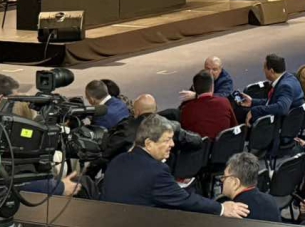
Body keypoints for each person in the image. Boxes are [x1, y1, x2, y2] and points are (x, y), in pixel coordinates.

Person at [102, 114, 248, 216]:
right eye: (167, 140)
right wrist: (221, 208)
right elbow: (184, 200)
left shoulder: (118, 160)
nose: (172, 144)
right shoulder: (156, 172)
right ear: (149, 143)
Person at [239, 54, 304, 121]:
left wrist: (256, 110)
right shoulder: (291, 77)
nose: (263, 70)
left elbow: (282, 108)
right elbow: (273, 102)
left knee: (241, 112)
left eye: (265, 68)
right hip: (294, 119)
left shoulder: (285, 86)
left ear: (271, 71)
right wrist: (252, 102)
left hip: (286, 123)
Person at [220, 152, 280, 221]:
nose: (222, 180)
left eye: (224, 177)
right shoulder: (271, 201)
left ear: (235, 183)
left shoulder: (232, 213)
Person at [180, 69, 238, 139]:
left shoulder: (187, 109)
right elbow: (235, 127)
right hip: (225, 145)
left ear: (194, 88)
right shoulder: (224, 102)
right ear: (212, 87)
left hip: (201, 145)